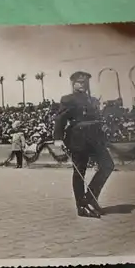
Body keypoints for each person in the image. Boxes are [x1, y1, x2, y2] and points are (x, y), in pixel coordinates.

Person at [53, 71, 115, 218]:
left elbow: (97, 118)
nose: (84, 84)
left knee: (108, 165)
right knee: (79, 172)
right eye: (80, 82)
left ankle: (90, 198)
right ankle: (81, 206)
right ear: (73, 83)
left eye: (86, 82)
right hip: (78, 137)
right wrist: (58, 138)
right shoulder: (68, 99)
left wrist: (103, 128)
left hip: (95, 138)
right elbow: (60, 119)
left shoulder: (92, 100)